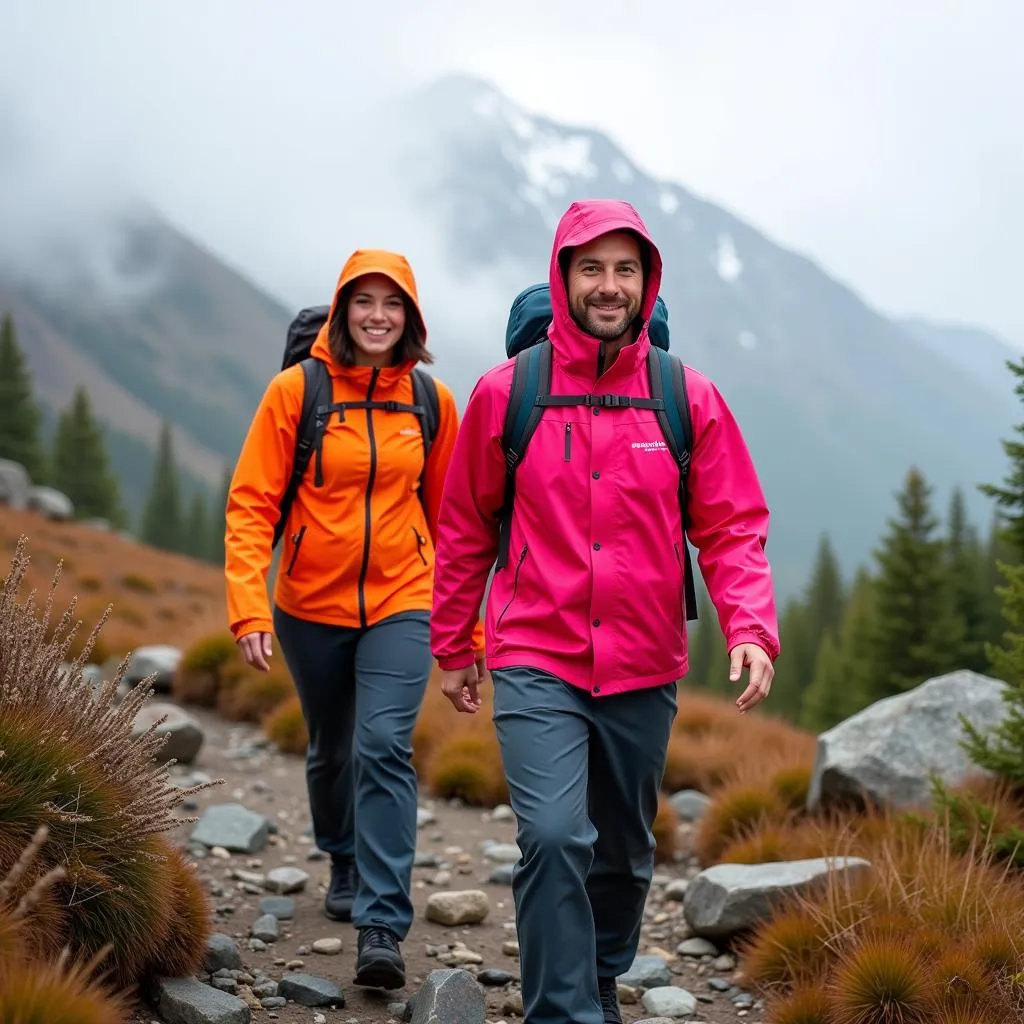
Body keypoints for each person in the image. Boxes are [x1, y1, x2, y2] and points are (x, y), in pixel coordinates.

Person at [429, 199, 780, 1024]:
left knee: (622, 854)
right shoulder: (507, 393)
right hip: (535, 655)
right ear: (563, 277)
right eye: (592, 268)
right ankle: (565, 1011)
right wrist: (454, 643)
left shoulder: (683, 396)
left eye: (625, 269)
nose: (609, 286)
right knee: (553, 838)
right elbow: (465, 525)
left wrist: (751, 628)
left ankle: (599, 974)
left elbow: (731, 527)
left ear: (646, 280)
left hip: (643, 662)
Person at [223, 248, 483, 992]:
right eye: (363, 302)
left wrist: (465, 636)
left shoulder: (431, 402)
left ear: (411, 317)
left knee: (383, 745)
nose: (377, 316)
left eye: (392, 303)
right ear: (342, 311)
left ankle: (381, 922)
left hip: (405, 596)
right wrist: (248, 606)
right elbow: (252, 506)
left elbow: (457, 522)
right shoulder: (294, 392)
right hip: (309, 602)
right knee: (332, 747)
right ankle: (341, 852)